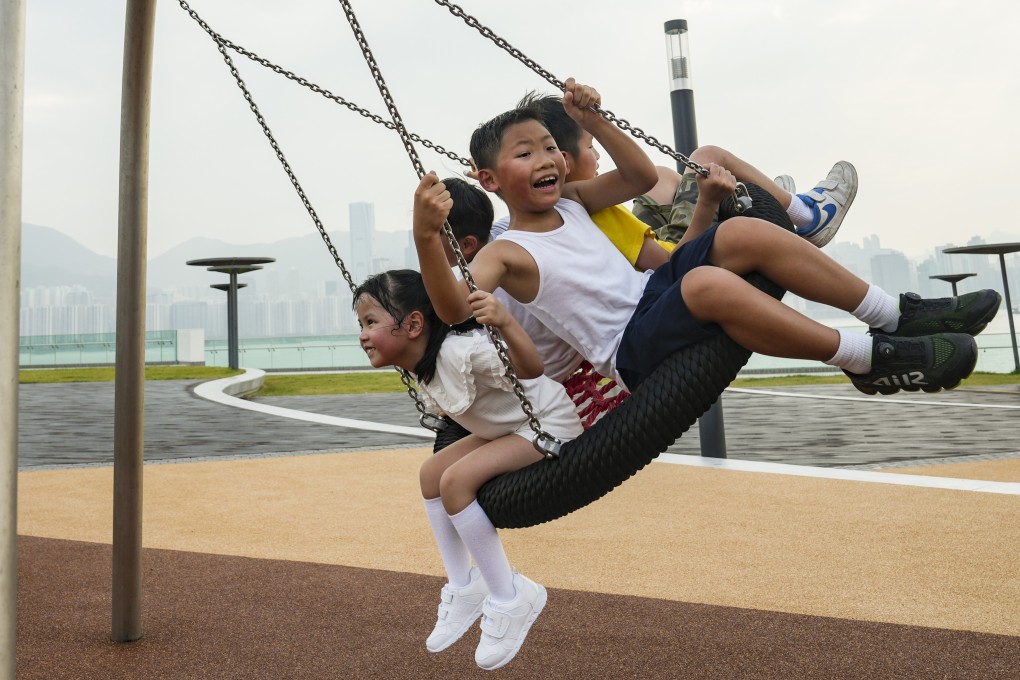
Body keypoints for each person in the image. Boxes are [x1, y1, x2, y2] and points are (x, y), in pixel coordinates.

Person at [413, 78, 999, 398]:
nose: (546, 159)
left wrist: (594, 123)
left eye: (549, 147)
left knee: (742, 231)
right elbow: (452, 308)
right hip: (627, 349)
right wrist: (426, 234)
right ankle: (865, 357)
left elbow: (641, 177)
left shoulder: (574, 203)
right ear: (489, 181)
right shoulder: (507, 251)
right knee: (705, 284)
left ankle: (893, 313)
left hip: (653, 297)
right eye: (526, 152)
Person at [353, 269, 582, 671]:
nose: (363, 334)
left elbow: (530, 370)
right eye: (361, 324)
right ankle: (464, 587)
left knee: (455, 482)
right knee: (431, 476)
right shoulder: (419, 364)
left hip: (546, 424)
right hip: (504, 429)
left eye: (371, 322)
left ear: (413, 324)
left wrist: (506, 321)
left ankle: (511, 595)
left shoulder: (462, 353)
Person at [508, 92, 856, 252]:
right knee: (707, 156)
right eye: (590, 146)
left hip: (660, 241)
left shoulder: (571, 206)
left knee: (662, 176)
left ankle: (769, 200)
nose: (597, 154)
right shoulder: (587, 209)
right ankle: (807, 215)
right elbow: (672, 262)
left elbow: (643, 177)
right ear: (564, 160)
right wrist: (705, 202)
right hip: (676, 252)